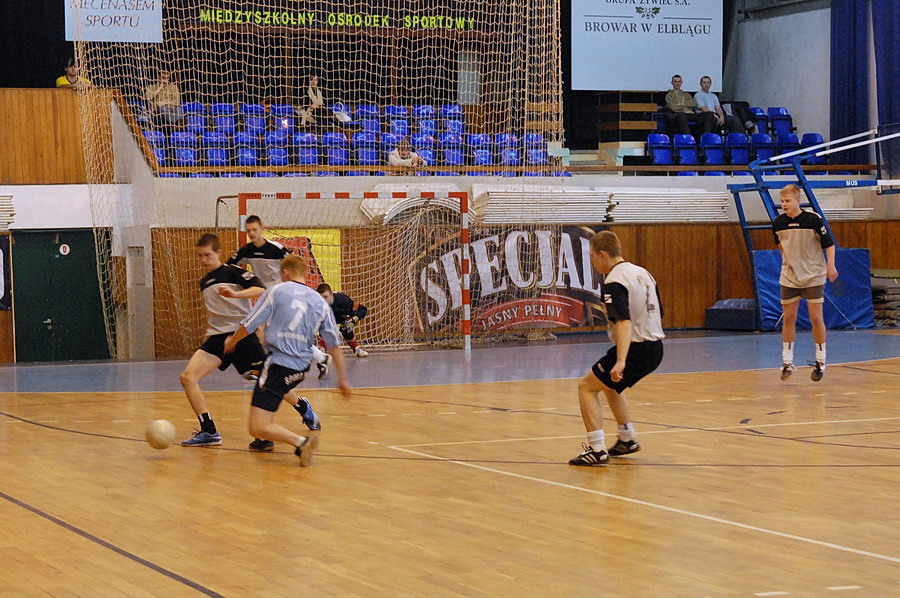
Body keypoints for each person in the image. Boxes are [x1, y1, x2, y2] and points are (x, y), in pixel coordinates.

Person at [180, 234, 320, 450]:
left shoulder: (233, 272)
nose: (203, 260)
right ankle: (209, 430)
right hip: (218, 338)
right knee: (188, 377)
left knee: (267, 383)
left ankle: (300, 406)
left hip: (242, 336)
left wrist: (235, 295)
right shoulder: (204, 281)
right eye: (200, 256)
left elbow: (260, 290)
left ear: (218, 252)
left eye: (207, 255)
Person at [224, 255, 352, 466]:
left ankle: (301, 442)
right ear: (303, 273)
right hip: (301, 368)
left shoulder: (276, 291)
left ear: (284, 272)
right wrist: (343, 380)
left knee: (256, 427)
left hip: (279, 364)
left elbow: (250, 322)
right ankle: (275, 438)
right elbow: (334, 345)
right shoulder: (319, 301)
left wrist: (232, 341)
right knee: (267, 408)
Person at [569, 230, 665, 467]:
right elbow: (659, 310)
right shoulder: (643, 273)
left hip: (636, 349)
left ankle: (596, 448)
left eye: (592, 256)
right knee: (610, 386)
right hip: (655, 347)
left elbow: (623, 322)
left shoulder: (614, 281)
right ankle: (627, 437)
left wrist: (621, 360)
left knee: (586, 388)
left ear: (603, 254)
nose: (592, 262)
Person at [228, 215, 332, 378]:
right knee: (273, 332)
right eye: (249, 231)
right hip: (267, 297)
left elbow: (294, 264)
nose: (252, 233)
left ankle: (265, 365)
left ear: (262, 228)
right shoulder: (246, 250)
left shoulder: (275, 248)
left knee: (265, 330)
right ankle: (319, 357)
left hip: (281, 295)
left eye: (255, 229)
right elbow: (230, 266)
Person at [773, 184, 838, 382]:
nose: (784, 205)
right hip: (790, 276)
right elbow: (781, 247)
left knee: (815, 317)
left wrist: (831, 266)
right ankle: (787, 362)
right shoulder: (778, 223)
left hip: (813, 275)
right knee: (789, 317)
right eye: (782, 201)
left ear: (797, 201)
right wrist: (789, 263)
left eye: (787, 201)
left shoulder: (813, 219)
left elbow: (829, 244)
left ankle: (820, 361)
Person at [317, 283, 369, 357]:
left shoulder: (343, 300)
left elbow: (363, 309)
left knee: (347, 325)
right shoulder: (318, 304)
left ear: (331, 294)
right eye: (321, 298)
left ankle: (356, 349)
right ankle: (322, 349)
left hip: (340, 317)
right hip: (327, 319)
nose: (323, 300)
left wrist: (355, 318)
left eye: (326, 297)